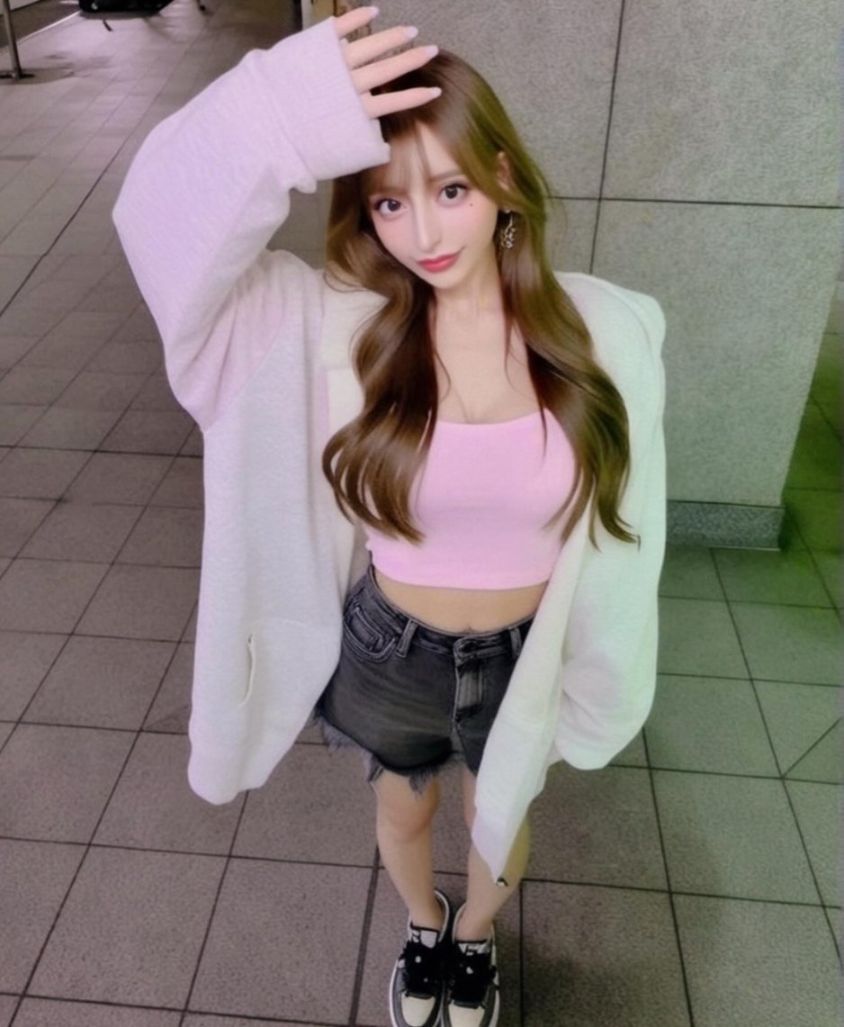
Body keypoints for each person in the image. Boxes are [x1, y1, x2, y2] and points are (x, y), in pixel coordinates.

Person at [112, 7, 667, 1027]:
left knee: (499, 816)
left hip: (525, 651)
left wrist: (607, 667)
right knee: (403, 809)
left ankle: (473, 937)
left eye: (450, 190)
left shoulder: (606, 334)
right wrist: (275, 112)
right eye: (389, 204)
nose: (425, 234)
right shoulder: (332, 330)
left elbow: (629, 540)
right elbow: (157, 231)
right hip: (390, 648)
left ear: (502, 178)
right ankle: (423, 923)